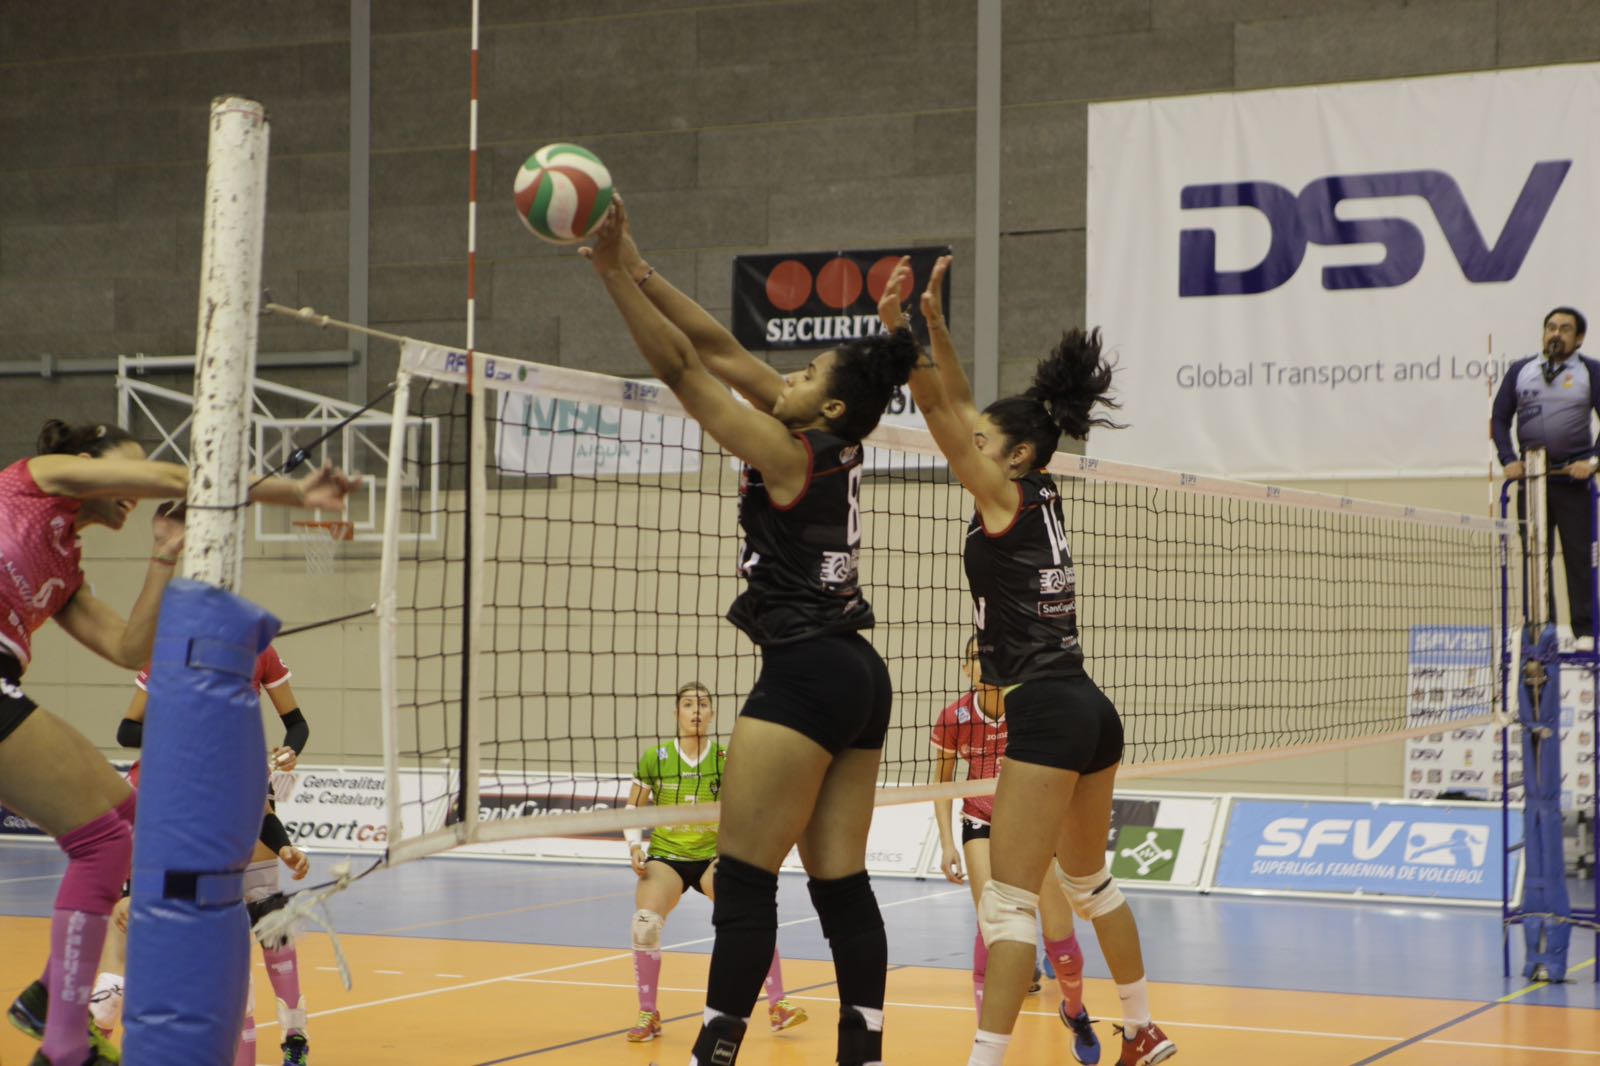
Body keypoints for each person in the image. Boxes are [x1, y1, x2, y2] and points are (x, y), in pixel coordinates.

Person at [580, 196, 917, 1066]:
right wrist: (642, 261)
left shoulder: (788, 450)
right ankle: (865, 1049)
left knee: (747, 881)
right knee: (841, 882)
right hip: (861, 677)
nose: (787, 378)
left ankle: (715, 1049)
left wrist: (608, 272)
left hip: (805, 671)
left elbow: (689, 372)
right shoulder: (828, 436)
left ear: (828, 409)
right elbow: (727, 351)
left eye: (807, 377)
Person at [878, 257, 1174, 1066]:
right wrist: (938, 326)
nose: (972, 444)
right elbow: (966, 407)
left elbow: (943, 413)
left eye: (986, 444)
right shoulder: (1038, 486)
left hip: (1043, 708)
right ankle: (1142, 1029)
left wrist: (895, 331)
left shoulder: (1001, 495)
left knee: (1009, 906)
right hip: (1089, 706)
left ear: (1011, 457)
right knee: (1088, 885)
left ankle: (985, 1060)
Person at [0, 418, 355, 1066]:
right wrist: (294, 493)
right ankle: (61, 1027)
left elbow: (128, 645)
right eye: (125, 470)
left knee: (115, 831)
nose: (135, 486)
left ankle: (58, 1020)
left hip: (2, 679)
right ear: (87, 465)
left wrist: (165, 549)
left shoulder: (66, 564)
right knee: (108, 837)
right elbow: (169, 476)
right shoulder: (34, 480)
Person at [98, 643, 314, 1066]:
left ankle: (295, 1036)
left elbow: (296, 726)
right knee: (206, 946)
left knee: (269, 916)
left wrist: (285, 841)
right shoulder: (168, 656)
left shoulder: (256, 652)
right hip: (185, 802)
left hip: (236, 789)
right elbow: (127, 731)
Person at [933, 635, 1099, 1063]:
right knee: (992, 923)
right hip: (981, 821)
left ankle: (1076, 1011)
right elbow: (944, 783)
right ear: (966, 668)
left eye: (991, 657)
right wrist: (947, 842)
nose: (984, 665)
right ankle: (984, 1041)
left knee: (1060, 941)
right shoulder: (954, 717)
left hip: (1034, 823)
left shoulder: (1031, 709)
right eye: (975, 659)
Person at [623, 681, 807, 1043]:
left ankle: (778, 1005)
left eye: (702, 704)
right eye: (688, 704)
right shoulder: (656, 758)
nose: (695, 710)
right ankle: (649, 1013)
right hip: (666, 857)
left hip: (712, 856)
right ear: (676, 712)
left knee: (753, 914)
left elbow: (747, 807)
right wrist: (634, 846)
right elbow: (633, 807)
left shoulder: (726, 758)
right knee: (644, 925)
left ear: (711, 714)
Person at [1491, 306, 1600, 650]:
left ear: (1578, 338)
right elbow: (1498, 420)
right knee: (1536, 558)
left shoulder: (1590, 372)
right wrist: (1509, 460)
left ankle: (1585, 632)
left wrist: (1592, 462)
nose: (1556, 334)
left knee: (1580, 559)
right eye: (1550, 327)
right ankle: (1544, 630)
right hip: (1533, 483)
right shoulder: (1520, 371)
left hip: (1574, 481)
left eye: (1564, 329)